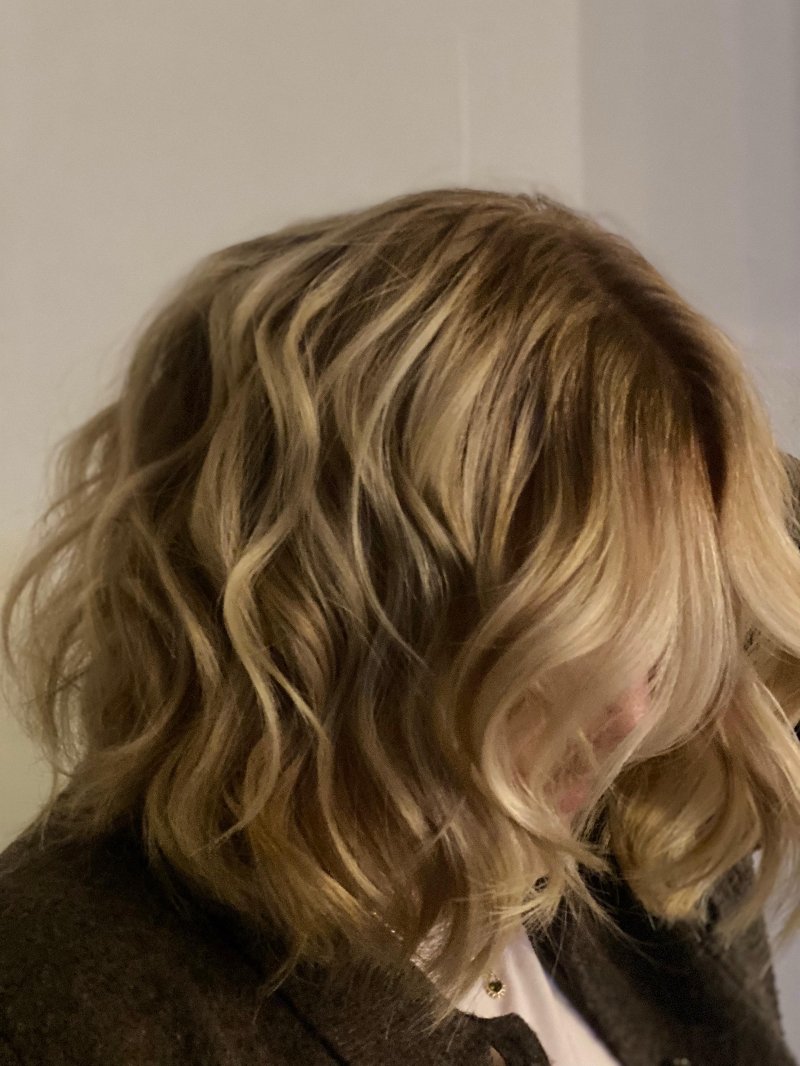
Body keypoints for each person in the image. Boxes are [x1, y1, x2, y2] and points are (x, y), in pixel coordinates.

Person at [1, 187, 800, 1065]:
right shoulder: (66, 1000)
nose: (630, 717)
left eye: (661, 633)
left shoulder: (642, 853)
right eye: (555, 643)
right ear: (335, 603)